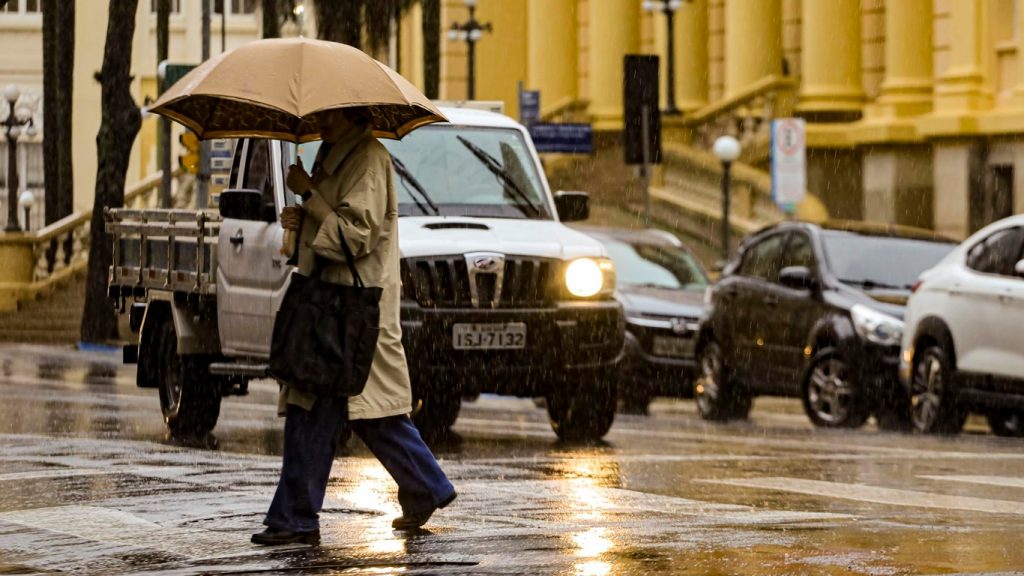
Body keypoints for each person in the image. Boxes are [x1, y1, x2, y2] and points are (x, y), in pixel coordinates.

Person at [252, 108, 456, 547]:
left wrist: (308, 194)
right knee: (341, 409)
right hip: (334, 306)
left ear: (350, 114)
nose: (320, 121)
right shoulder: (335, 154)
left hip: (351, 308)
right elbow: (331, 227)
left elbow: (354, 235)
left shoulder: (366, 159)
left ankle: (297, 516)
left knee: (353, 410)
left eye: (328, 115)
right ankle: (422, 487)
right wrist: (300, 221)